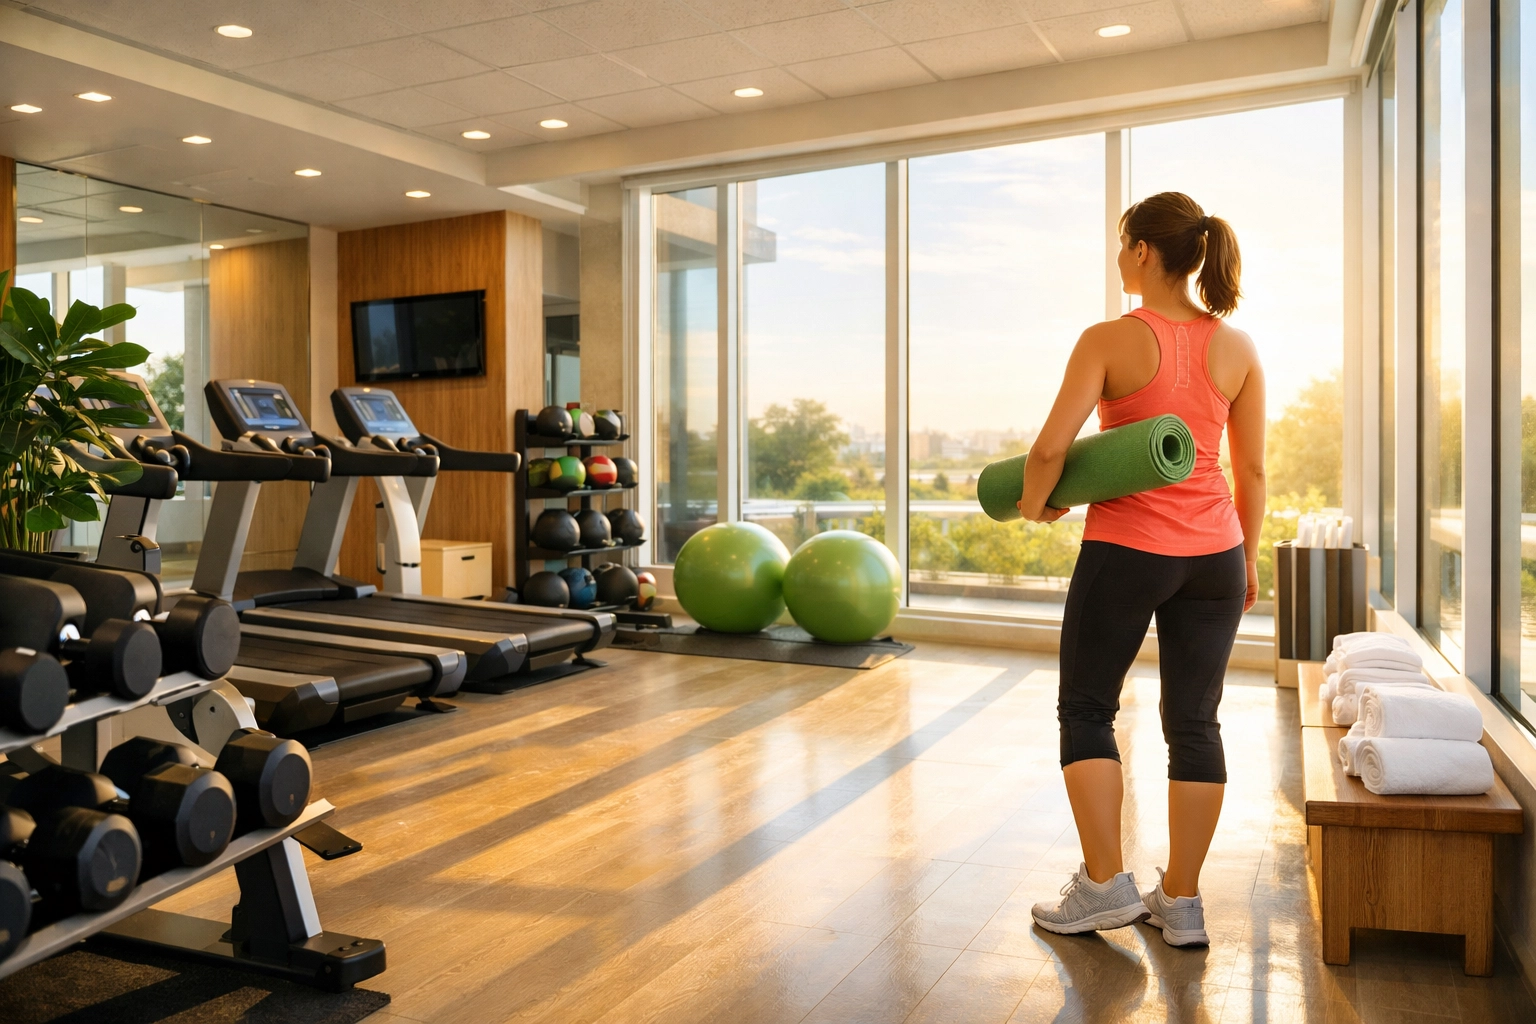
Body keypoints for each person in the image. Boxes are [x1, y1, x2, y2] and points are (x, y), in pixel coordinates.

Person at [1021, 192, 1264, 948]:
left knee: (1087, 709)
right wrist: (1248, 557)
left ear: (1141, 251)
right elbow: (1252, 471)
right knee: (1195, 722)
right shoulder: (1238, 347)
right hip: (1217, 554)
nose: (1117, 256)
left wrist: (1032, 503)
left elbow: (1051, 449)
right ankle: (1181, 902)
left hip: (1128, 549)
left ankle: (1104, 887)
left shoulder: (1108, 339)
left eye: (1121, 243)